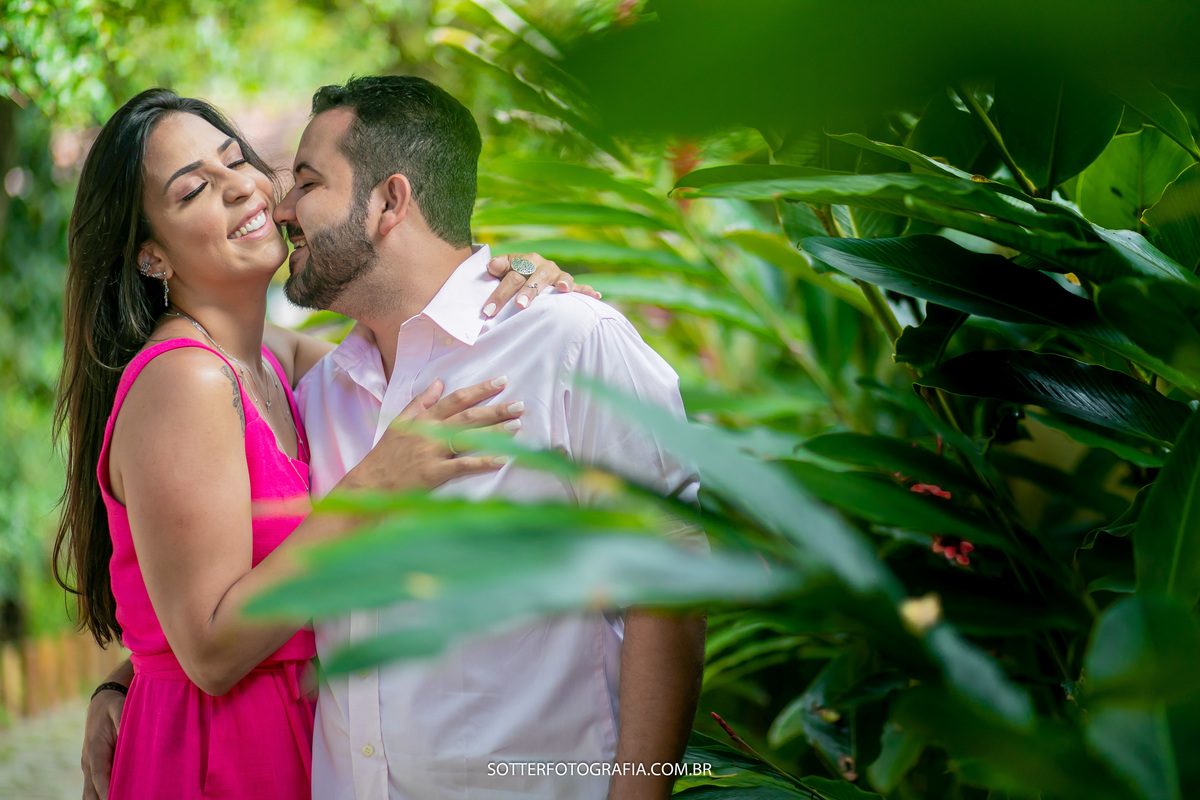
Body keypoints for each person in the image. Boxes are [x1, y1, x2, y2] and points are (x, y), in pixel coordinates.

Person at [57, 87, 592, 800]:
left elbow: (416, 336)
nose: (242, 188)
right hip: (222, 758)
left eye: (235, 159)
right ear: (152, 256)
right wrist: (373, 486)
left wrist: (517, 277)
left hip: (299, 738)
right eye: (193, 191)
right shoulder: (186, 379)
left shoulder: (285, 365)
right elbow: (210, 650)